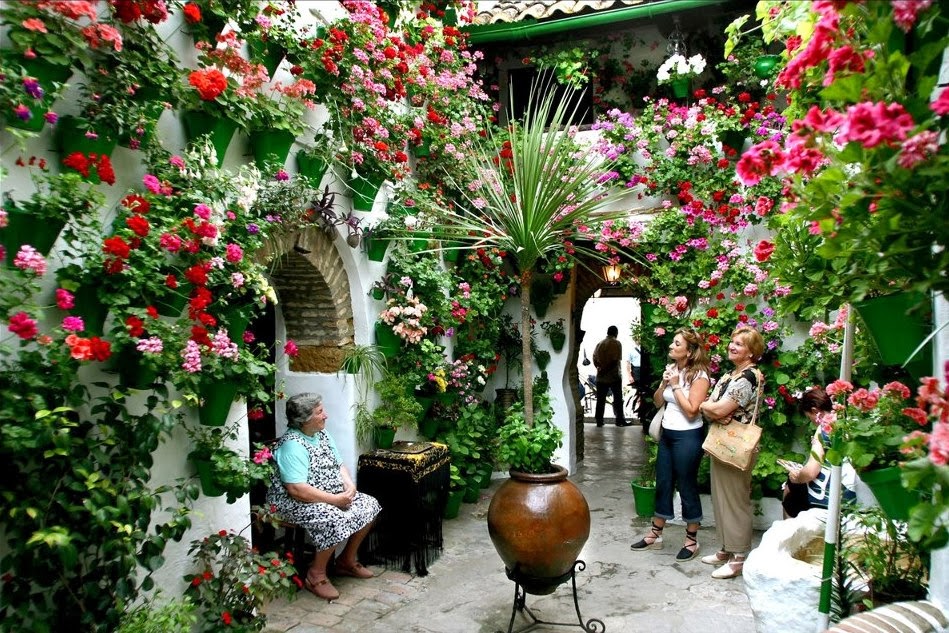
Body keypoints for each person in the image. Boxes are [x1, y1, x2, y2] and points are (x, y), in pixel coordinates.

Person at [268, 393, 382, 601]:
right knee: (333, 517)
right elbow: (297, 490)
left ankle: (346, 561)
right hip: (292, 503)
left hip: (327, 493)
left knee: (369, 504)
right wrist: (335, 500)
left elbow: (339, 464)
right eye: (320, 412)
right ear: (304, 419)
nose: (326, 416)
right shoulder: (292, 445)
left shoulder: (321, 434)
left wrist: (349, 486)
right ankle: (316, 575)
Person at [630, 329, 710, 561]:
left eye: (677, 344)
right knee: (663, 483)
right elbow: (657, 402)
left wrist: (676, 385)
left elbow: (693, 410)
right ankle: (655, 534)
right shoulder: (673, 370)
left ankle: (691, 541)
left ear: (689, 351)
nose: (671, 347)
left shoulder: (700, 376)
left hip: (688, 437)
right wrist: (663, 385)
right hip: (668, 435)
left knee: (686, 486)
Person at [697, 326, 765, 580]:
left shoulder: (748, 377)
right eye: (732, 342)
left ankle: (739, 557)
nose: (732, 346)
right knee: (721, 496)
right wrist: (711, 408)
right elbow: (710, 406)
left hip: (736, 445)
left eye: (739, 344)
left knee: (735, 501)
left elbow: (720, 408)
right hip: (722, 443)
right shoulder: (730, 375)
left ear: (751, 352)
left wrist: (710, 408)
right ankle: (726, 549)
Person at [781, 386, 857, 518]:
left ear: (815, 411)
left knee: (790, 487)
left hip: (830, 494)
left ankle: (790, 532)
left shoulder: (824, 428)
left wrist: (797, 476)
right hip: (852, 487)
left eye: (809, 417)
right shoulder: (850, 422)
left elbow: (811, 472)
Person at [593, 325, 629, 427]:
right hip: (614, 376)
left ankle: (599, 421)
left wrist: (599, 368)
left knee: (600, 400)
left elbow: (594, 358)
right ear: (616, 333)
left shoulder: (600, 343)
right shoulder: (616, 343)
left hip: (601, 377)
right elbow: (615, 360)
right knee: (617, 399)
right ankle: (619, 420)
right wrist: (605, 370)